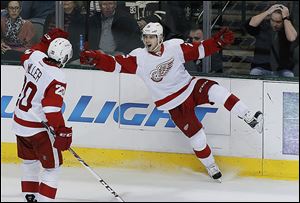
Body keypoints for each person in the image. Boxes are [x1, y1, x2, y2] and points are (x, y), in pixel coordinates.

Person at [80, 22, 264, 182]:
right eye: (145, 37)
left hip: (190, 87)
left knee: (217, 90)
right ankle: (211, 166)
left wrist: (217, 42)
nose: (147, 40)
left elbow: (198, 50)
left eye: (151, 37)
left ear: (160, 38)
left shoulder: (174, 46)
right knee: (197, 138)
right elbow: (116, 64)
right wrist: (97, 59)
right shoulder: (139, 58)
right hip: (173, 105)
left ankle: (248, 116)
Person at [12, 28, 73, 202]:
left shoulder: (35, 57)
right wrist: (61, 130)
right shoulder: (58, 76)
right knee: (52, 168)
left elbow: (26, 56)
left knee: (29, 162)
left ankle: (30, 199)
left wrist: (47, 40)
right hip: (37, 129)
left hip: (20, 122)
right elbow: (51, 109)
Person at [244, 4, 298, 77]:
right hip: (261, 67)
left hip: (282, 69)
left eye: (278, 22)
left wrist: (286, 18)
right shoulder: (263, 26)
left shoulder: (288, 27)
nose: (275, 24)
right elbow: (251, 24)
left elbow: (292, 38)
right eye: (273, 20)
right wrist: (268, 12)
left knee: (289, 76)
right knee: (254, 73)